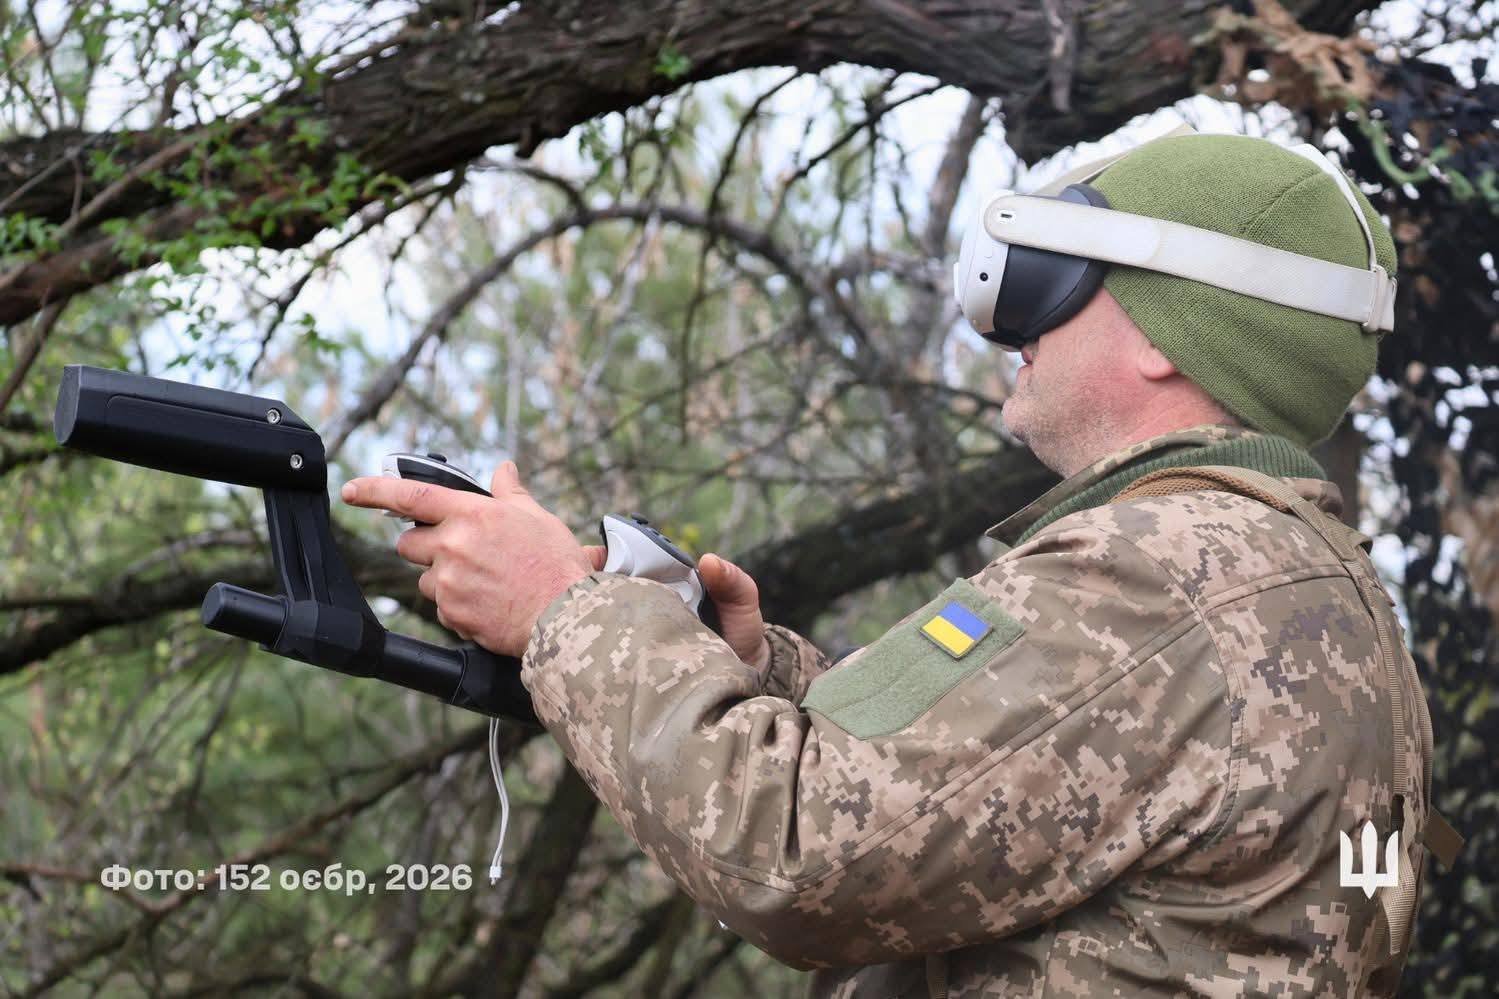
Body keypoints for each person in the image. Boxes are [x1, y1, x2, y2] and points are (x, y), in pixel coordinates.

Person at [342, 133, 1449, 996]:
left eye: (1062, 279)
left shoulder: (1159, 578)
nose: (1015, 322)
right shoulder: (1301, 586)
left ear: (1166, 336)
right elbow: (1017, 807)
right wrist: (752, 676)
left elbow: (794, 858)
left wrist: (561, 613)